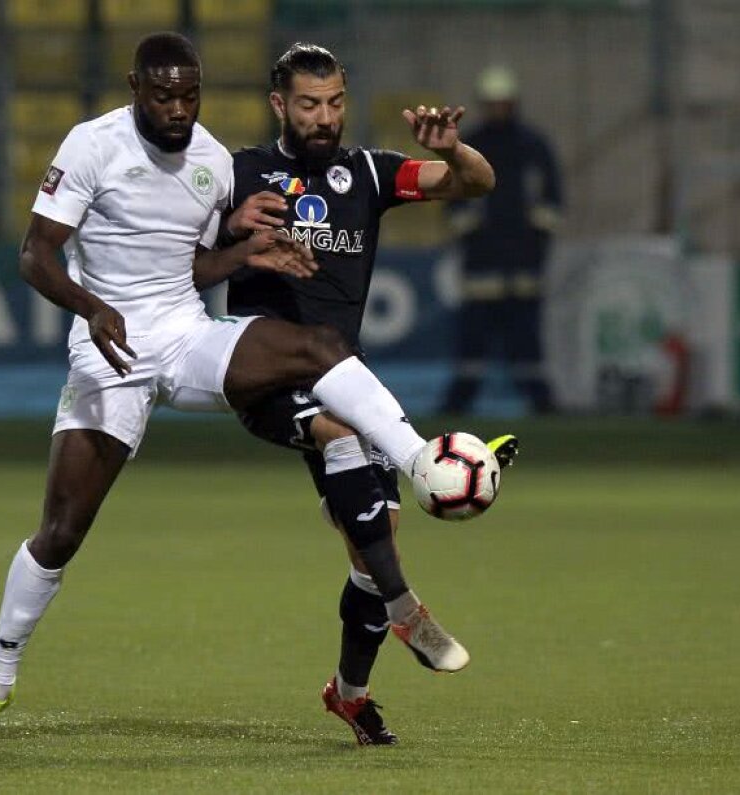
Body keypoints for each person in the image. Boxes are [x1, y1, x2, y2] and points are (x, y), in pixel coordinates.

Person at [0, 33, 476, 749]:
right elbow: (36, 254)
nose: (179, 110)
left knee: (319, 348)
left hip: (185, 337)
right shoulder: (93, 146)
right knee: (61, 531)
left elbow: (193, 265)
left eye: (190, 96)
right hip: (109, 350)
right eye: (164, 96)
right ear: (135, 88)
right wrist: (92, 307)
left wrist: (243, 250)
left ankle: (421, 461)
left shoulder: (214, 163)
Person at [209, 43, 516, 746]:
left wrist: (455, 149)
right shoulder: (241, 173)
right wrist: (235, 237)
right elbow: (189, 248)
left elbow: (477, 183)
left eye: (336, 103)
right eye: (310, 105)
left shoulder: (369, 173)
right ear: (279, 105)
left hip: (342, 377)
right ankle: (410, 611)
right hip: (262, 373)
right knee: (342, 441)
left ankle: (349, 692)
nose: (325, 118)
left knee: (373, 540)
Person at [438, 65, 563, 416]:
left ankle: (542, 403)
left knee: (527, 342)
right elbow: (452, 197)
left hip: (524, 265)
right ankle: (456, 404)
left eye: (502, 102)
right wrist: (471, 230)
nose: (497, 109)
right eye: (492, 103)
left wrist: (536, 237)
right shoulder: (470, 146)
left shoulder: (533, 145)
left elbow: (553, 198)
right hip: (482, 265)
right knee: (472, 343)